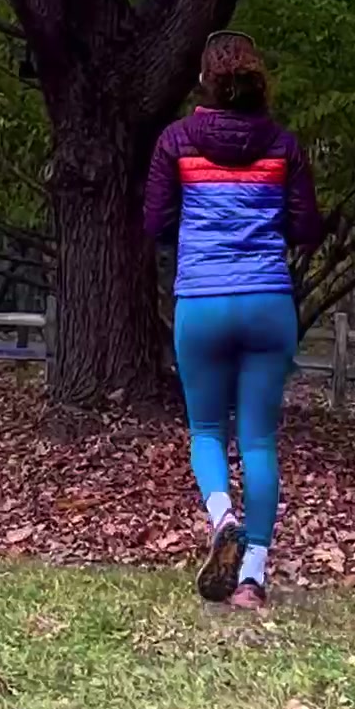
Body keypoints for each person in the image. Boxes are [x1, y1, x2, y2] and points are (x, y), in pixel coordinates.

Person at [142, 34, 323, 611]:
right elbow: (304, 228)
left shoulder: (176, 141)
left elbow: (155, 222)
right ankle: (253, 579)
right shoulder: (283, 146)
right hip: (269, 302)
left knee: (206, 432)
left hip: (202, 301)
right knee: (261, 440)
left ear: (205, 81)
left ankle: (222, 515)